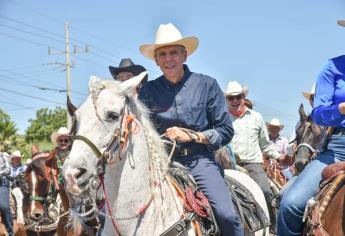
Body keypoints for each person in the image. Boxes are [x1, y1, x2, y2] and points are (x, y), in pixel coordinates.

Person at [138, 23, 243, 236]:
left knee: (226, 216)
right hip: (161, 163)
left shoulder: (207, 85)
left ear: (184, 55)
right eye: (163, 54)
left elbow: (225, 130)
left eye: (174, 53)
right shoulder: (148, 91)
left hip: (200, 161)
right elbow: (141, 131)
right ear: (156, 61)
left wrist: (194, 136)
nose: (169, 59)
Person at [278, 19, 345, 236]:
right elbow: (318, 113)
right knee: (290, 204)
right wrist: (341, 109)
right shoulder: (332, 68)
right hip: (337, 149)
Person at [225, 81, 286, 234]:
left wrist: (279, 157)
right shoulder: (222, 118)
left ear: (243, 97)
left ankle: (273, 226)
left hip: (252, 164)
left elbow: (265, 144)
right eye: (231, 98)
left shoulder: (256, 117)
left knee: (265, 191)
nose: (235, 101)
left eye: (237, 97)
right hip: (228, 164)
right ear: (227, 100)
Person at [0, 152, 13, 236]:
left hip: (2, 183)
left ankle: (10, 232)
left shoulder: (2, 155)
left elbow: (8, 169)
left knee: (4, 206)